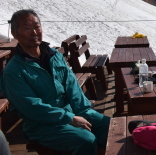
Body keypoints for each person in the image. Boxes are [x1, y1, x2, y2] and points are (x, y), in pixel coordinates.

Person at [0, 9, 110, 155]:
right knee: (86, 140)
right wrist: (69, 118)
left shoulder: (54, 55)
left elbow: (72, 85)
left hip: (70, 112)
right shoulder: (13, 71)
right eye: (27, 28)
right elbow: (31, 107)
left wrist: (84, 111)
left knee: (109, 126)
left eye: (37, 26)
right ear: (15, 34)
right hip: (41, 125)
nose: (34, 32)